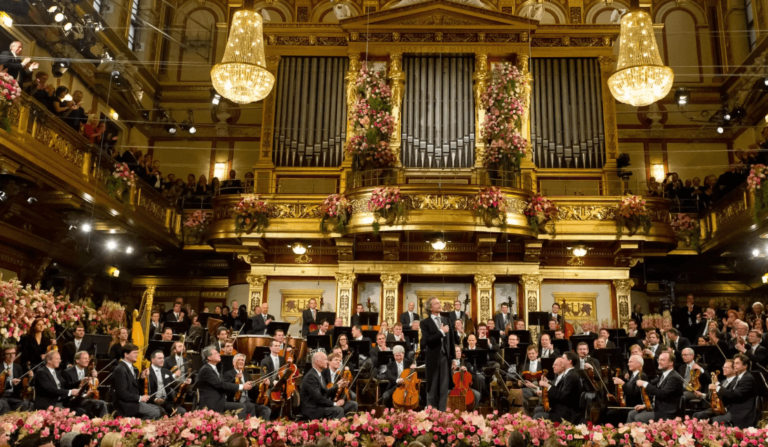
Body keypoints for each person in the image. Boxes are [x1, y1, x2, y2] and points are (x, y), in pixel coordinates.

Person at [693, 355, 756, 428]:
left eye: (737, 363)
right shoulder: (740, 377)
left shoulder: (747, 378)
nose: (735, 365)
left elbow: (736, 395)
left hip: (741, 412)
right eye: (734, 363)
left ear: (745, 366)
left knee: (716, 420)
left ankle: (721, 438)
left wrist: (717, 387)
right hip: (732, 409)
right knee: (698, 415)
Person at [197, 346, 255, 419]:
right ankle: (238, 428)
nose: (219, 354)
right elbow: (221, 384)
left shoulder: (215, 368)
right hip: (212, 403)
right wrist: (242, 386)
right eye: (216, 353)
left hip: (220, 401)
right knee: (241, 406)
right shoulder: (206, 370)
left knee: (249, 406)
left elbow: (223, 383)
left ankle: (249, 427)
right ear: (209, 357)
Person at [626, 351, 684, 423]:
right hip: (658, 408)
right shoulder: (663, 375)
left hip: (667, 412)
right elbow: (655, 393)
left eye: (662, 360)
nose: (659, 362)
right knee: (631, 414)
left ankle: (640, 434)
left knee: (639, 418)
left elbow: (662, 394)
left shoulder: (674, 377)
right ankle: (628, 433)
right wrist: (645, 405)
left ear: (671, 363)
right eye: (658, 359)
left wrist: (645, 384)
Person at [420, 296, 455, 411]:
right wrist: (441, 332)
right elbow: (427, 340)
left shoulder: (447, 320)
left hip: (445, 357)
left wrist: (453, 358)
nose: (439, 305)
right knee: (433, 386)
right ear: (430, 307)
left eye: (439, 303)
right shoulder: (425, 323)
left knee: (444, 387)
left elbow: (451, 340)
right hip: (432, 359)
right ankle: (431, 412)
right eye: (436, 303)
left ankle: (442, 414)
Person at [299, 351, 357, 419]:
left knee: (353, 404)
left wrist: (338, 386)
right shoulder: (311, 376)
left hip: (321, 406)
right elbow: (318, 398)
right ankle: (337, 428)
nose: (327, 361)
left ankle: (349, 426)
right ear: (317, 362)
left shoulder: (318, 374)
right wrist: (335, 404)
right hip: (313, 409)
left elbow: (325, 392)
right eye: (325, 359)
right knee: (338, 410)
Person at [112, 344, 161, 419]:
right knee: (155, 413)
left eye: (137, 353)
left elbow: (135, 387)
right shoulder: (120, 369)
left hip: (133, 402)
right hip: (125, 404)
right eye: (134, 353)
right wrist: (140, 398)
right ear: (126, 355)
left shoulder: (134, 369)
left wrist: (142, 378)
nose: (137, 355)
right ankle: (136, 426)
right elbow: (122, 393)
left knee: (159, 409)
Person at [532, 353, 582, 423]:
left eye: (563, 358)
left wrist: (547, 386)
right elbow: (559, 391)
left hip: (566, 414)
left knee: (537, 416)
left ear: (569, 361)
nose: (561, 360)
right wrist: (548, 384)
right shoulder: (569, 374)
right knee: (538, 411)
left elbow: (563, 397)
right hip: (562, 410)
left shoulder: (571, 375)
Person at [223, 354, 270, 420]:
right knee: (250, 406)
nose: (241, 362)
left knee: (266, 409)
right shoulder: (228, 374)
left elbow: (253, 390)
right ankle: (251, 427)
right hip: (236, 402)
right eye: (238, 360)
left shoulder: (247, 375)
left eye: (242, 360)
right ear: (233, 363)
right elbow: (227, 387)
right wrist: (235, 379)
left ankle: (263, 428)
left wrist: (263, 385)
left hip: (248, 401)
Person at [62, 351, 108, 417]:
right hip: (72, 400)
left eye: (88, 359)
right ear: (77, 360)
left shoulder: (88, 371)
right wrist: (80, 382)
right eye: (85, 358)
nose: (87, 360)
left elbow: (92, 386)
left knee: (102, 403)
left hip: (85, 398)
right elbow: (66, 386)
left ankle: (104, 425)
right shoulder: (67, 372)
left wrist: (94, 378)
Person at [606, 354, 648, 426]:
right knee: (604, 409)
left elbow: (635, 395)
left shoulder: (642, 376)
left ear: (638, 364)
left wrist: (623, 383)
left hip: (633, 407)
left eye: (630, 362)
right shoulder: (633, 375)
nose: (628, 364)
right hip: (627, 405)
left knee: (611, 414)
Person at [143, 350, 187, 416]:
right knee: (162, 412)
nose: (162, 360)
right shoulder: (147, 372)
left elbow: (175, 384)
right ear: (153, 360)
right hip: (153, 402)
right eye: (159, 358)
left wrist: (185, 383)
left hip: (167, 402)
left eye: (163, 358)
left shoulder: (166, 371)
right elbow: (144, 391)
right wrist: (154, 399)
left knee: (182, 411)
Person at [0, 345, 33, 413]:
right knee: (5, 407)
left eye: (13, 353)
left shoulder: (18, 367)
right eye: (8, 354)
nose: (12, 356)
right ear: (4, 355)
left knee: (30, 405)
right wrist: (10, 382)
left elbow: (21, 386)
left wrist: (30, 377)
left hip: (14, 397)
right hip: (2, 397)